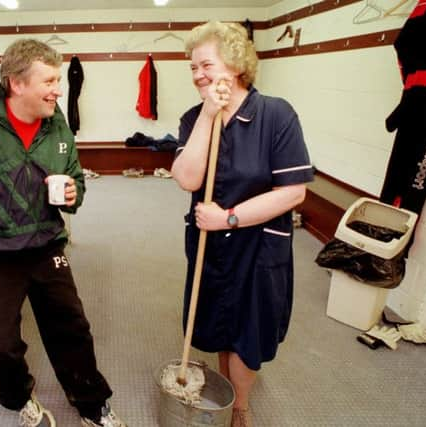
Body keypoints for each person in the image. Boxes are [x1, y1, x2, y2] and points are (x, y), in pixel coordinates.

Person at [0, 39, 126, 427]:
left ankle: (92, 404)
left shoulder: (57, 125)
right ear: (16, 84)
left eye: (58, 79)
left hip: (45, 245)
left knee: (73, 330)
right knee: (0, 347)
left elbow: (76, 178)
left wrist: (72, 192)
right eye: (49, 80)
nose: (58, 89)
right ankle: (20, 401)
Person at [171, 22, 313, 427]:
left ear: (235, 64)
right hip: (211, 245)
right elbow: (187, 179)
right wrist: (208, 116)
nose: (198, 75)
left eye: (206, 65)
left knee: (249, 331)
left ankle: (241, 405)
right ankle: (227, 385)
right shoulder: (193, 118)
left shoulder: (275, 114)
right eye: (193, 68)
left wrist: (227, 217)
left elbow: (293, 193)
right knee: (218, 323)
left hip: (259, 246)